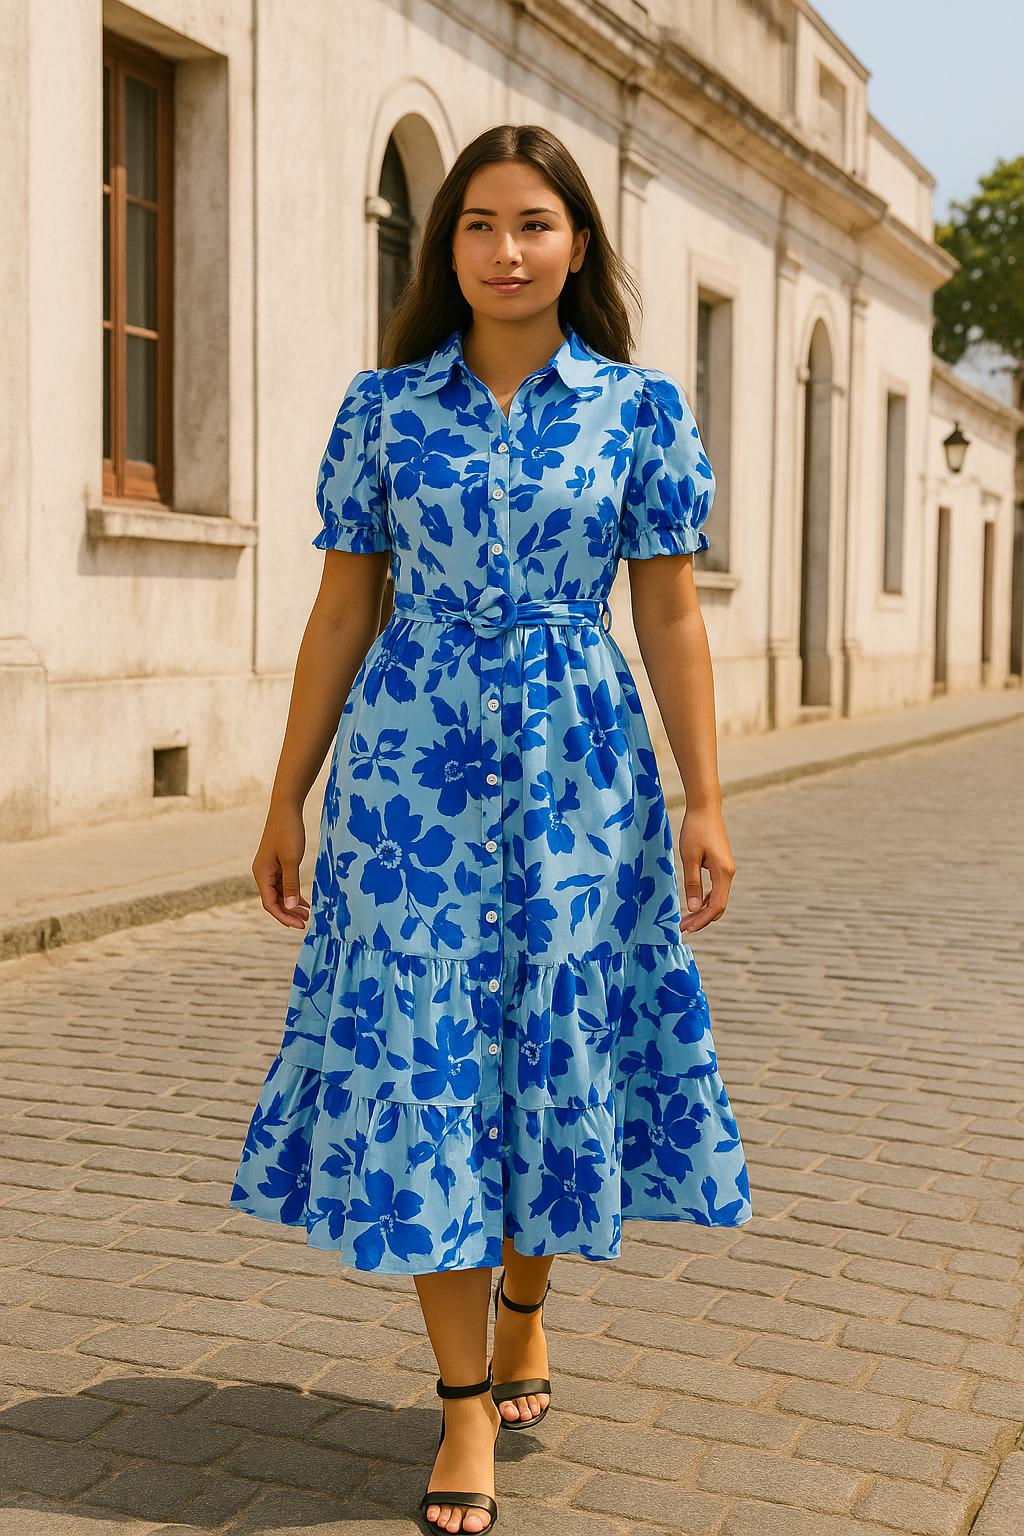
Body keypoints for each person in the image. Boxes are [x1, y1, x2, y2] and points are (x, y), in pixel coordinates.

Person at [231, 123, 751, 1534]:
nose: (505, 250)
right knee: (425, 1059)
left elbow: (668, 617)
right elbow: (344, 607)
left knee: (540, 1046)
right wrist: (287, 793)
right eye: (476, 224)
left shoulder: (638, 412)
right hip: (409, 779)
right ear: (441, 245)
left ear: (578, 241)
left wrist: (705, 798)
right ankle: (460, 1403)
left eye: (533, 223)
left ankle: (526, 1296)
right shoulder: (385, 410)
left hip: (583, 775)